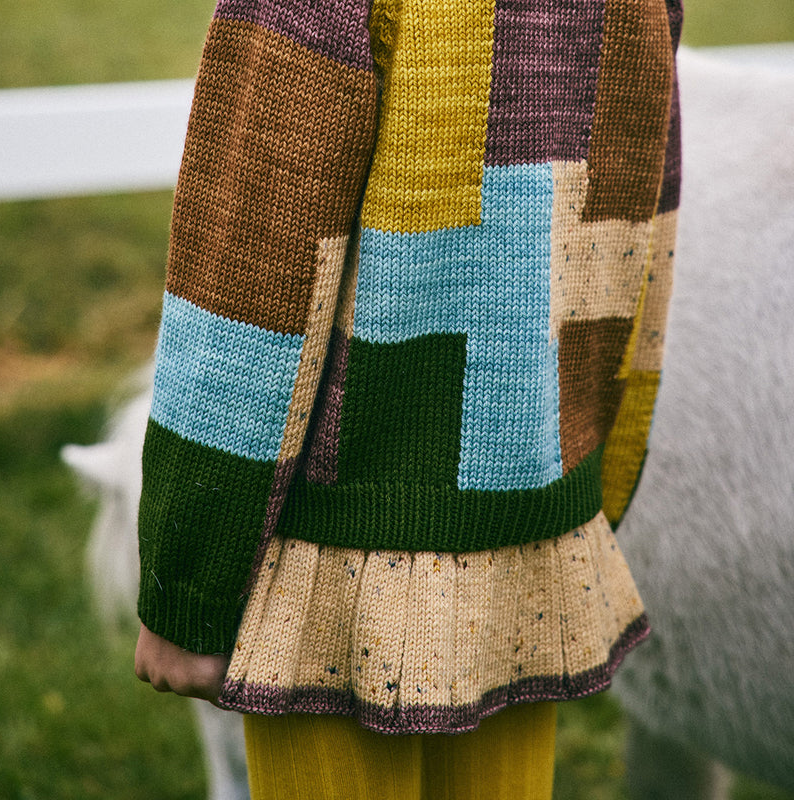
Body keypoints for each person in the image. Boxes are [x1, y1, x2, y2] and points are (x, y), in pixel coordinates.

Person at [135, 0, 683, 797]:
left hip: (334, 572)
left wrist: (187, 583)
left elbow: (253, 267)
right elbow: (642, 229)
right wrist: (589, 493)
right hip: (531, 543)